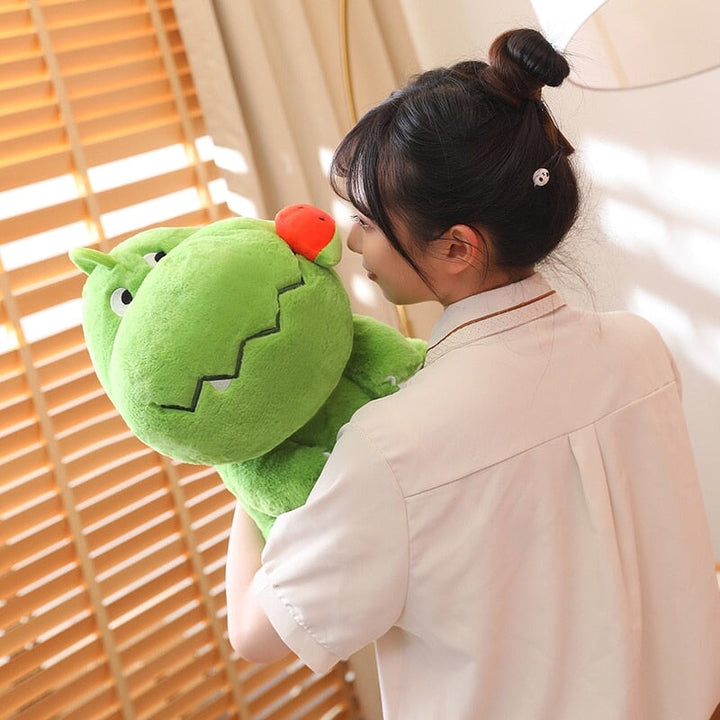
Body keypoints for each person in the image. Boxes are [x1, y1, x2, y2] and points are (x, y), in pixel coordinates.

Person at [225, 28, 720, 719]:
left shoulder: (391, 445)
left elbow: (255, 633)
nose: (351, 240)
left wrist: (245, 450)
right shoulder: (640, 348)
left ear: (458, 246)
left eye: (368, 220)